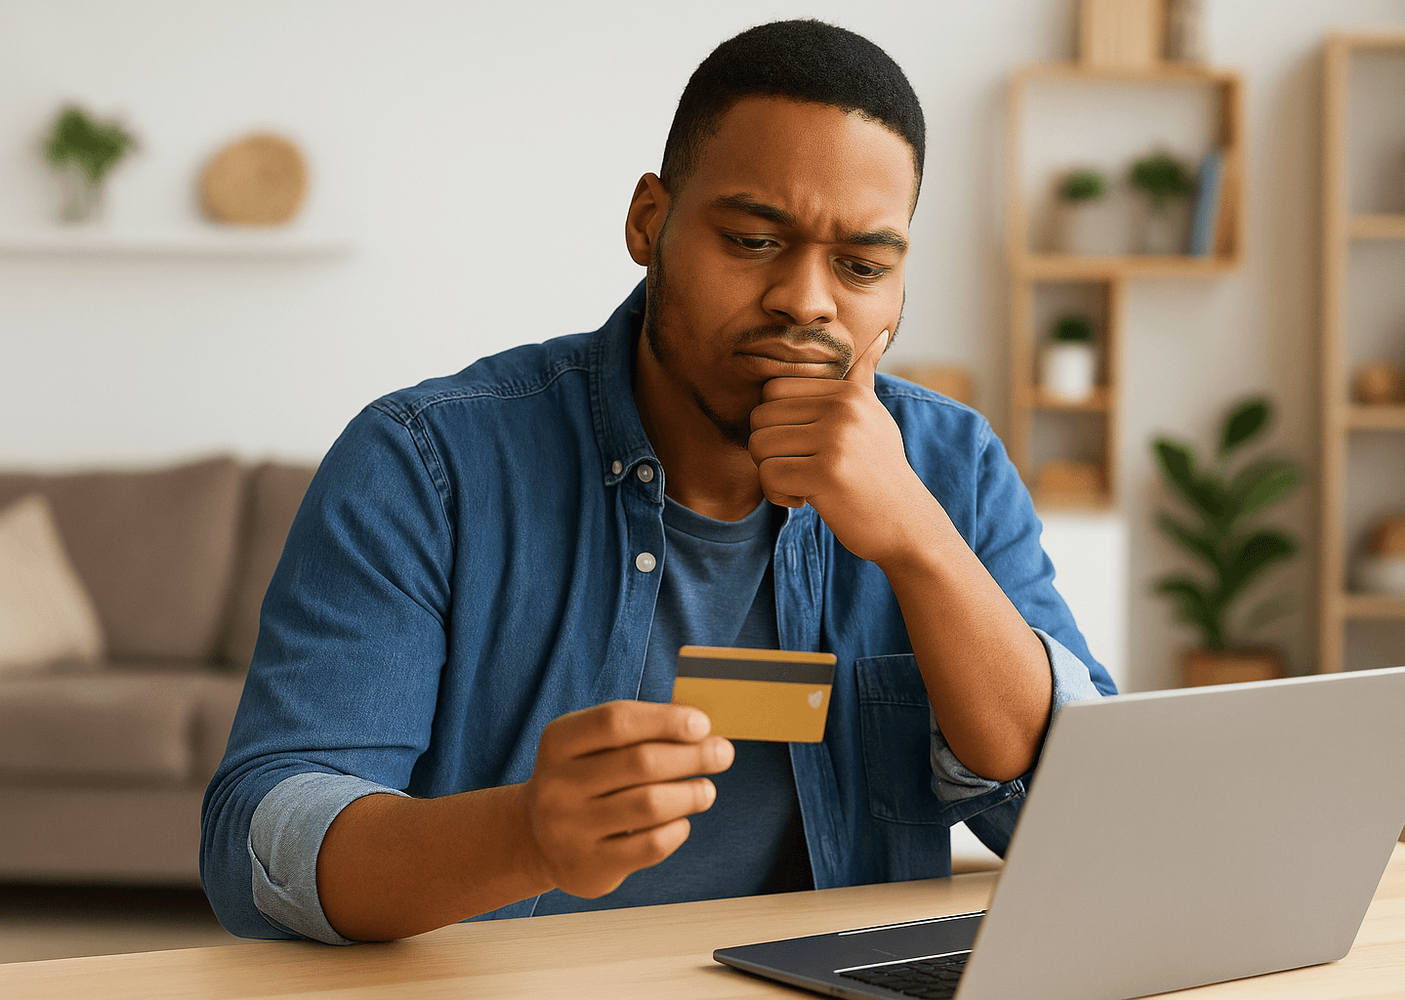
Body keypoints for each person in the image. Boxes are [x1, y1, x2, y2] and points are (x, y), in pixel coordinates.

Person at [201, 19, 1115, 945]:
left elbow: (1088, 816)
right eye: (755, 240)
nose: (807, 299)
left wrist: (920, 545)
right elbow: (259, 841)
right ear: (649, 222)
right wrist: (521, 836)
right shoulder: (427, 465)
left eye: (862, 266)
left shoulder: (951, 468)